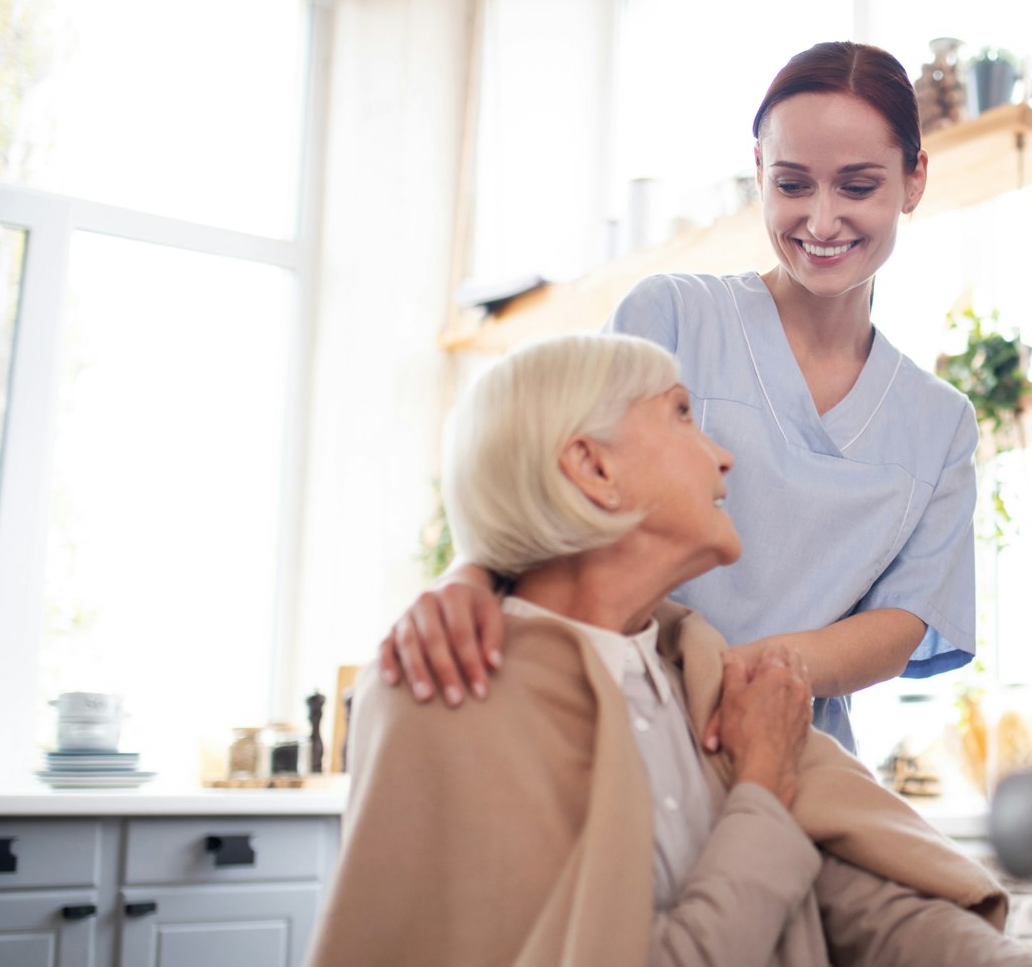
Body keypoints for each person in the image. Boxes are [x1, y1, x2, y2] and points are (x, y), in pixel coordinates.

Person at [258, 333, 1032, 967]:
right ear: (591, 465)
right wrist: (765, 780)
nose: (724, 454)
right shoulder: (460, 705)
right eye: (681, 414)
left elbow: (872, 913)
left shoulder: (692, 671)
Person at [381, 41, 976, 753]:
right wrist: (465, 579)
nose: (821, 221)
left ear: (913, 182)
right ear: (759, 173)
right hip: (616, 718)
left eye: (857, 187)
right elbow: (541, 474)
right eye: (792, 185)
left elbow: (901, 623)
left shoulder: (940, 426)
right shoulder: (670, 317)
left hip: (786, 750)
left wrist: (741, 677)